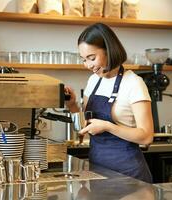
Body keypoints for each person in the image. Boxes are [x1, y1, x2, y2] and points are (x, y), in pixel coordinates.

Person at [65, 23, 154, 183]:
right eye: (84, 60)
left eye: (92, 58)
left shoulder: (133, 83)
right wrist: (72, 105)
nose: (88, 65)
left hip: (129, 175)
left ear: (109, 50)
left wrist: (108, 126)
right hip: (98, 170)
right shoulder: (93, 80)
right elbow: (85, 125)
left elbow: (146, 136)